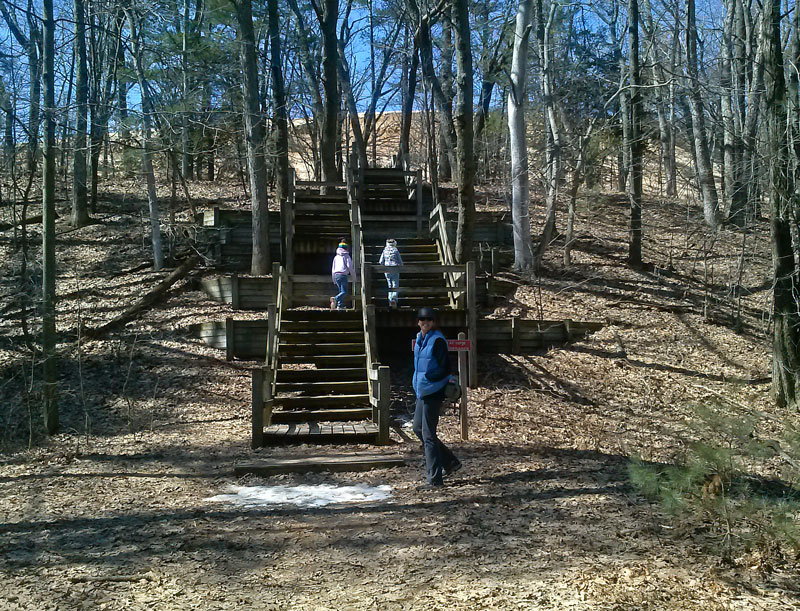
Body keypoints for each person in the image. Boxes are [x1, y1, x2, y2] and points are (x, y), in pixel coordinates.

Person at [412, 306, 461, 489]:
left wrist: (428, 378)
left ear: (433, 322)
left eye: (429, 320)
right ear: (418, 322)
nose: (425, 323)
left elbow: (444, 368)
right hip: (422, 391)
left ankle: (435, 479)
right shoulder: (419, 339)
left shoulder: (437, 340)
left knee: (428, 435)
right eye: (422, 320)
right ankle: (450, 463)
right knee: (418, 428)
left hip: (433, 391)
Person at [378, 238, 403, 308]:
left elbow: (380, 262)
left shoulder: (384, 250)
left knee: (389, 285)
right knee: (395, 284)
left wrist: (384, 266)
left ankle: (389, 300)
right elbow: (400, 262)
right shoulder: (395, 250)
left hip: (386, 269)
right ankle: (394, 299)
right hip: (395, 268)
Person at [331, 238, 355, 310]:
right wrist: (354, 277)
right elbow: (350, 267)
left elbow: (333, 268)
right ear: (346, 248)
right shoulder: (346, 256)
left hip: (336, 275)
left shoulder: (336, 257)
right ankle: (335, 299)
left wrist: (333, 279)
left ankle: (340, 306)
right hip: (343, 275)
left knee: (340, 291)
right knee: (344, 292)